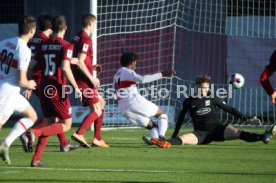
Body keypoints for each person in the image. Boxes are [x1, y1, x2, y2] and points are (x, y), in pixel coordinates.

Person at [20, 15, 79, 153]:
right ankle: (33, 132)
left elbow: (31, 64)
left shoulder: (42, 43)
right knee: (65, 123)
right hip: (57, 86)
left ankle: (39, 157)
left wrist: (28, 82)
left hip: (42, 84)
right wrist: (76, 87)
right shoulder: (63, 45)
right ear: (65, 28)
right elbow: (64, 67)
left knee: (51, 119)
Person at [166, 75, 276, 147]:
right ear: (196, 87)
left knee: (238, 133)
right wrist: (175, 133)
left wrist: (246, 119)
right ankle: (162, 142)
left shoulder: (212, 97)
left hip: (217, 129)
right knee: (182, 139)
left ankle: (264, 136)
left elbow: (230, 109)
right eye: (202, 88)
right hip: (200, 134)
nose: (205, 90)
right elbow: (180, 117)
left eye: (206, 88)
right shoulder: (188, 101)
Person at [113, 52, 175, 148]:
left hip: (123, 108)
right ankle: (162, 138)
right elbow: (142, 79)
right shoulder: (127, 71)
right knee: (161, 114)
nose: (136, 64)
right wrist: (162, 74)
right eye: (135, 62)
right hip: (133, 101)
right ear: (131, 62)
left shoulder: (117, 74)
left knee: (153, 127)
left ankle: (155, 140)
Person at [0, 16, 38, 164]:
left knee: (32, 116)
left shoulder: (3, 43)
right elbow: (21, 80)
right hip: (7, 93)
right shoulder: (24, 50)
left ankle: (5, 144)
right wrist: (30, 84)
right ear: (32, 30)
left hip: (10, 91)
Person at [71, 13, 108, 148]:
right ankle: (79, 133)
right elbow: (80, 61)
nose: (94, 28)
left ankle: (97, 138)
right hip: (83, 80)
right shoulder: (86, 40)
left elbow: (75, 59)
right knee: (97, 109)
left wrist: (91, 66)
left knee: (102, 102)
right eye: (94, 25)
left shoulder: (76, 37)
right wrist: (91, 77)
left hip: (79, 76)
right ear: (91, 24)